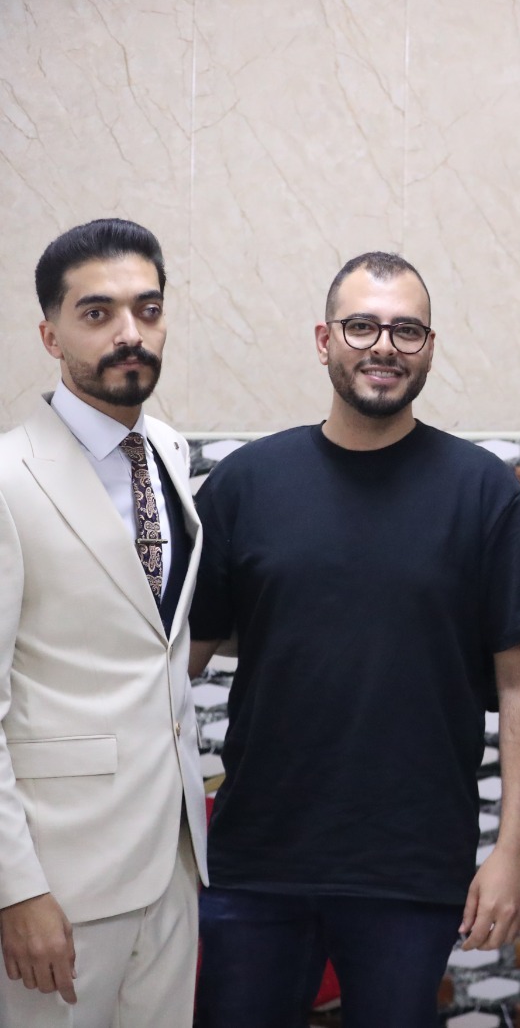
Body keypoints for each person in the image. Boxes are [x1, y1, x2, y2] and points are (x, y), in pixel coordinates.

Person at [188, 252, 520, 1028]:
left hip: (410, 868)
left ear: (429, 348)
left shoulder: (481, 491)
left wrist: (515, 850)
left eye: (406, 330)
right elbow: (172, 664)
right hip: (256, 861)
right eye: (361, 326)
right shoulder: (247, 484)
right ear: (324, 340)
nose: (384, 346)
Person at [0, 218, 208, 1025]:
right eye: (98, 313)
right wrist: (17, 889)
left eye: (147, 310)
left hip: (174, 861)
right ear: (50, 335)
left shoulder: (170, 453)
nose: (130, 333)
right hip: (60, 880)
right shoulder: (9, 478)